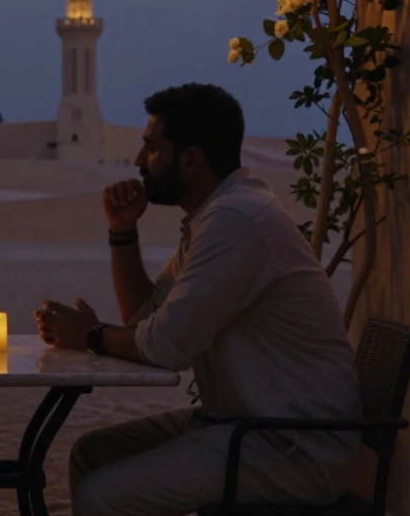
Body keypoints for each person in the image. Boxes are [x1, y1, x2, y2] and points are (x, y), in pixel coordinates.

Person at [34, 84, 361, 516]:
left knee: (103, 497)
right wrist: (122, 230)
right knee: (91, 455)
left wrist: (91, 336)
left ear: (191, 159)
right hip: (243, 425)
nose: (137, 162)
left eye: (151, 149)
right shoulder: (218, 215)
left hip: (290, 446)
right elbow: (145, 319)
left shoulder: (236, 220)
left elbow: (166, 347)